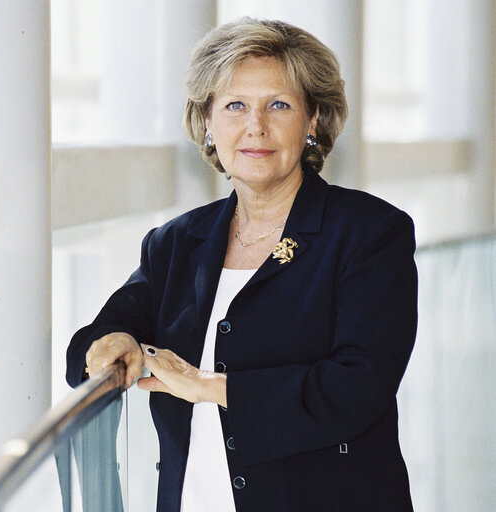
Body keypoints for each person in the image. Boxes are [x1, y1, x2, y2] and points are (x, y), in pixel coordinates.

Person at [66, 17, 416, 512]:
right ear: (207, 124)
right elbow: (103, 336)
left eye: (279, 104)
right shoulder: (176, 243)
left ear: (313, 120)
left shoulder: (370, 232)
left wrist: (208, 386)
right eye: (234, 106)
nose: (256, 126)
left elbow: (358, 386)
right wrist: (114, 342)